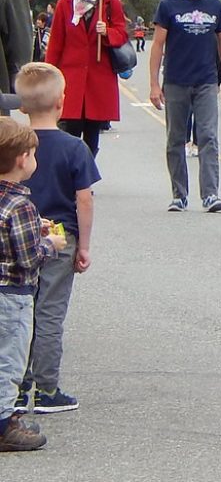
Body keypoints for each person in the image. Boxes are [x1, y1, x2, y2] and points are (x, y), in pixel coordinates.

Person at [13, 66, 93, 415]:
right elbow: (84, 199)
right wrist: (84, 245)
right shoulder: (74, 148)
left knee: (18, 311)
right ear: (62, 102)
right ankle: (46, 389)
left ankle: (14, 385)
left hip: (19, 234)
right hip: (60, 236)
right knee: (50, 312)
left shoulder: (15, 144)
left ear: (22, 107)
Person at [148, 0, 221, 214]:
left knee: (208, 136)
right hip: (176, 81)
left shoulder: (216, 7)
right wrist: (154, 84)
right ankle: (179, 195)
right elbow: (157, 45)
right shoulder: (169, 6)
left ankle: (211, 194)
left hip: (206, 81)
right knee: (176, 138)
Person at [0, 117, 52, 451]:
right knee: (9, 359)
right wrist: (50, 245)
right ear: (23, 159)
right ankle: (4, 424)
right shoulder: (21, 205)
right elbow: (28, 258)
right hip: (13, 296)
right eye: (33, 155)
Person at [41, 0, 128, 158]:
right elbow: (56, 43)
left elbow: (122, 34)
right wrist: (49, 75)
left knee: (92, 134)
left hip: (99, 78)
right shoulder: (65, 4)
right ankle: (68, 176)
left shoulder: (109, 4)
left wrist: (107, 32)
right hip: (70, 78)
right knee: (68, 130)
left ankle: (84, 179)